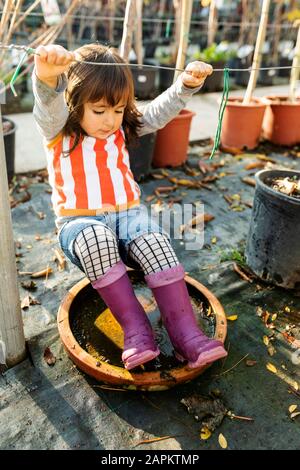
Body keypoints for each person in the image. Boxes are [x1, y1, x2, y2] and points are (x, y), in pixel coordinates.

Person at [32, 43, 227, 371]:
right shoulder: (59, 130)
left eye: (118, 109)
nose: (110, 120)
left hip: (127, 215)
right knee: (96, 239)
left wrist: (185, 85)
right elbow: (47, 104)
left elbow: (154, 114)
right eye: (99, 111)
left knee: (154, 240)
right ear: (75, 102)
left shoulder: (121, 127)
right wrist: (46, 76)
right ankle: (137, 330)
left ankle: (186, 335)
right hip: (79, 223)